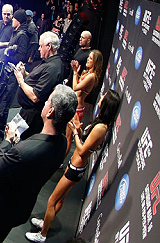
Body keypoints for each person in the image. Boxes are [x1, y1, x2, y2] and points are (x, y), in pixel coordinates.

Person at [0, 85, 78, 243]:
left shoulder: (24, 151)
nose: (44, 103)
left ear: (51, 112)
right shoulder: (62, 143)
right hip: (20, 208)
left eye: (48, 101)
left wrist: (7, 142)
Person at [25, 90, 121, 243]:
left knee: (52, 200)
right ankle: (46, 224)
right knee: (60, 199)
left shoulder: (101, 128)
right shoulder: (100, 123)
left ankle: (42, 235)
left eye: (104, 97)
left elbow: (83, 151)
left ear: (107, 103)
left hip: (76, 168)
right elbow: (87, 143)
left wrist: (75, 133)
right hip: (75, 167)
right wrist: (79, 130)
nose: (101, 97)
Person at [0, 9, 31, 143]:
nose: (12, 21)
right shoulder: (17, 32)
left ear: (19, 21)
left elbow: (22, 56)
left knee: (4, 102)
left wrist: (7, 53)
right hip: (5, 72)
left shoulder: (22, 35)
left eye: (14, 18)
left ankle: (0, 133)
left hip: (11, 75)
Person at [13, 31, 66, 141]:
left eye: (41, 46)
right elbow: (38, 80)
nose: (38, 49)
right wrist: (24, 73)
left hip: (31, 117)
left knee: (18, 143)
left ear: (49, 46)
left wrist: (21, 80)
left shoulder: (52, 68)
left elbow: (35, 96)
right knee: (12, 136)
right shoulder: (48, 62)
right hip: (26, 112)